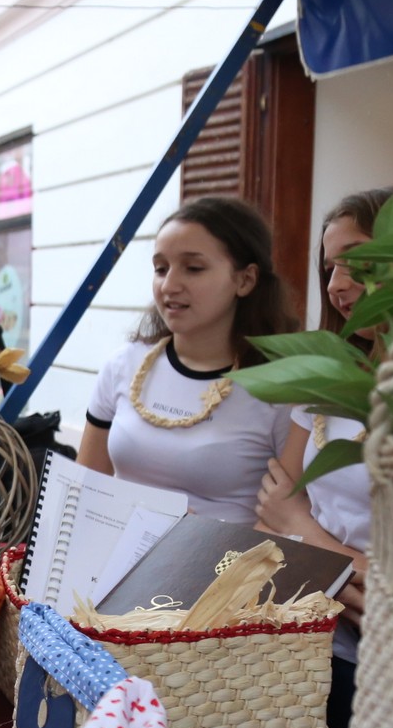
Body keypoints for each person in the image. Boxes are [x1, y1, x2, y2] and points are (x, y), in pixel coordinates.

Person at [252, 185, 393, 728]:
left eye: (357, 262)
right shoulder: (325, 383)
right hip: (317, 647)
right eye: (330, 268)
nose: (337, 284)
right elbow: (269, 521)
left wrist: (310, 535)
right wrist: (346, 568)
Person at [78, 197, 298, 523]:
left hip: (225, 557)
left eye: (193, 268)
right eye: (160, 268)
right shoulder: (123, 365)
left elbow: (286, 521)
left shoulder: (281, 390)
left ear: (245, 280)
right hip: (114, 554)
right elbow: (83, 492)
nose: (169, 285)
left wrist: (194, 544)